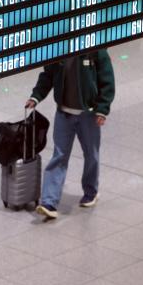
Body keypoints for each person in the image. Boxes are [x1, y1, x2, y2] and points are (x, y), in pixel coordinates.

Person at [25, 50, 115, 220]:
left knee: (91, 155)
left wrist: (102, 109)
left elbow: (107, 80)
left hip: (88, 115)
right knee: (59, 155)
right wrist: (36, 96)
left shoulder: (95, 50)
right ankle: (49, 202)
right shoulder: (58, 49)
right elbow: (48, 76)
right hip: (63, 114)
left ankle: (91, 192)